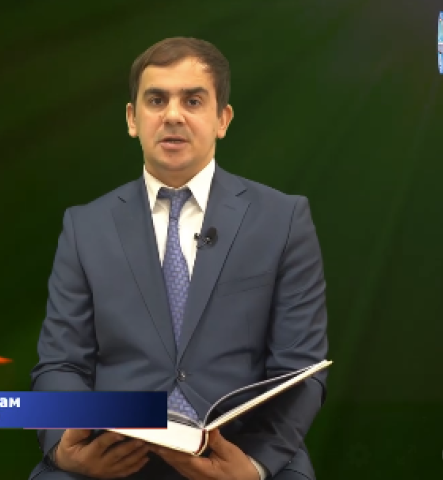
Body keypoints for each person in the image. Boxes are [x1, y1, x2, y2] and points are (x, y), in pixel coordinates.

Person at [28, 37, 328, 480]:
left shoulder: (284, 219)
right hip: (111, 455)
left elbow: (301, 369)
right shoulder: (84, 226)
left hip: (242, 452)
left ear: (222, 119)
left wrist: (254, 465)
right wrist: (67, 451)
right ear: (132, 119)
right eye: (156, 100)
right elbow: (61, 364)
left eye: (192, 100)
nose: (172, 115)